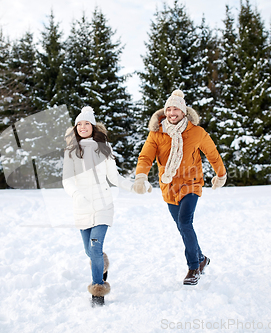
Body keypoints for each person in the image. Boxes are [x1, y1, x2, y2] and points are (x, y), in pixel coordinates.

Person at [133, 90, 227, 285]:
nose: (172, 112)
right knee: (182, 227)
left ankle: (194, 268)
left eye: (176, 108)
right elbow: (146, 156)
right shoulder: (157, 133)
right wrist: (141, 176)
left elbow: (212, 153)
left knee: (185, 223)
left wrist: (221, 174)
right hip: (169, 186)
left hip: (191, 183)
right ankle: (201, 258)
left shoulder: (196, 132)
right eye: (168, 109)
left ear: (184, 112)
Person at [62, 106, 145, 306]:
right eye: (79, 124)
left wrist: (134, 186)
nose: (83, 127)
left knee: (95, 248)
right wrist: (76, 194)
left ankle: (97, 290)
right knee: (89, 252)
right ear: (75, 128)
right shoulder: (71, 151)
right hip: (81, 207)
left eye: (86, 123)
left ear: (93, 126)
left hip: (103, 205)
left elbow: (114, 177)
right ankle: (102, 267)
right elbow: (67, 180)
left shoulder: (104, 149)